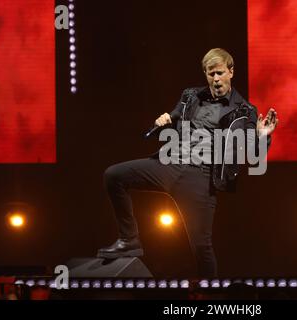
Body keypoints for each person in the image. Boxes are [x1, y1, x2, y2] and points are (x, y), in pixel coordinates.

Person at [97, 48, 278, 278]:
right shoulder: (190, 95)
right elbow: (174, 116)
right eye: (210, 74)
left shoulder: (244, 111)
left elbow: (253, 155)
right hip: (169, 164)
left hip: (200, 177)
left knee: (202, 247)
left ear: (231, 72)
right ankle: (129, 239)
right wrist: (165, 121)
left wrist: (264, 136)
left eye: (220, 73)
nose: (215, 79)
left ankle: (209, 298)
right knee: (113, 175)